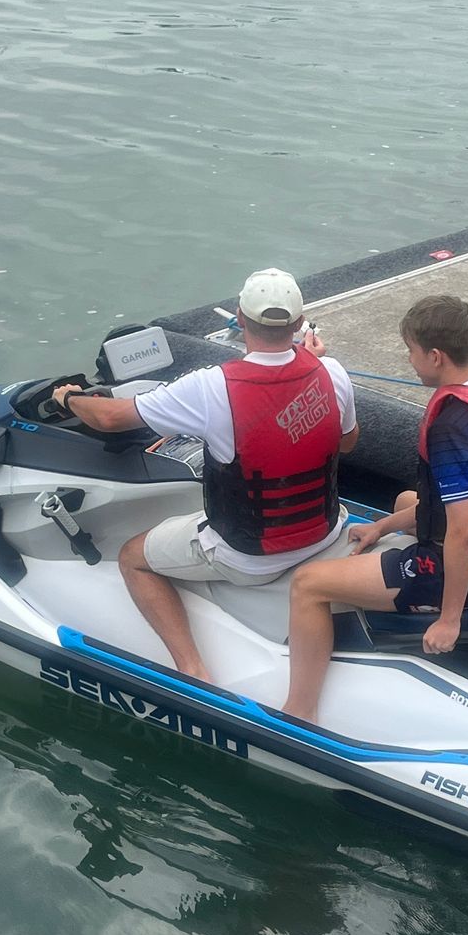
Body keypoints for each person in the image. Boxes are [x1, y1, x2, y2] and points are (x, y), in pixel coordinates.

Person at [51, 269, 358, 681]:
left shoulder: (211, 388)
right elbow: (347, 442)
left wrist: (70, 398)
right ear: (300, 323)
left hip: (249, 557)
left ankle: (192, 668)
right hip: (324, 531)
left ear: (240, 319)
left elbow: (109, 418)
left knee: (132, 557)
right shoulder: (331, 372)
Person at [283, 293, 468, 725]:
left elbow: (465, 533)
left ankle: (300, 711)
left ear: (435, 356)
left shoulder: (453, 429)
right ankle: (398, 540)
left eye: (412, 350)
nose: (409, 360)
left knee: (308, 584)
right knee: (405, 501)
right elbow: (467, 504)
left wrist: (450, 620)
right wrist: (381, 528)